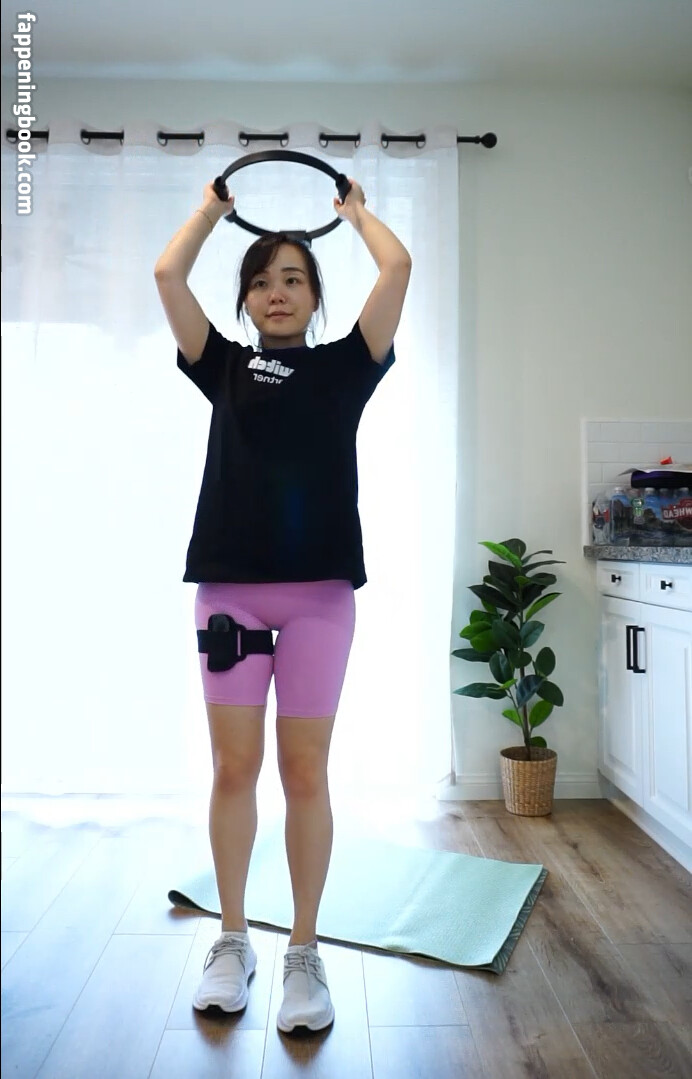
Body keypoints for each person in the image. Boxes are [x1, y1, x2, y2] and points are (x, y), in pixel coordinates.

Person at [154, 171, 411, 1034]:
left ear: (314, 295)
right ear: (245, 298)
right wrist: (211, 211)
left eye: (294, 278)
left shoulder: (347, 366)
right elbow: (166, 274)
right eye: (262, 280)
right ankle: (233, 940)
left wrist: (355, 213)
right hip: (228, 593)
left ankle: (304, 950)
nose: (276, 291)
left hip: (320, 599)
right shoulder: (223, 364)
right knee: (234, 769)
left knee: (305, 772)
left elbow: (398, 267)